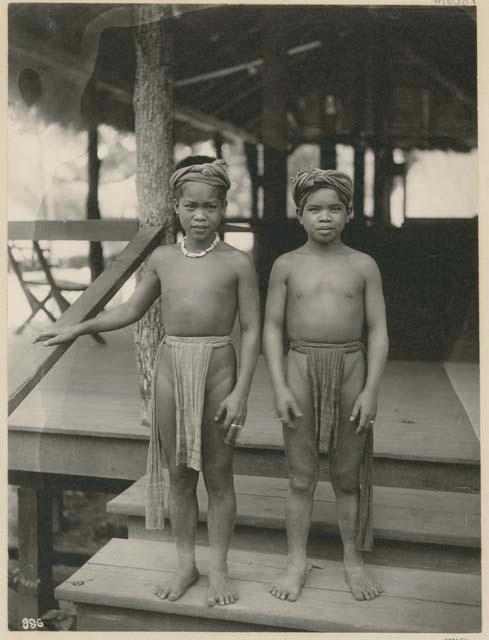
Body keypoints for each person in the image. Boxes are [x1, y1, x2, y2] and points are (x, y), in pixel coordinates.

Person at [35, 156, 261, 607]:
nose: (201, 216)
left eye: (211, 207)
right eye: (191, 206)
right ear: (176, 206)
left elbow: (252, 329)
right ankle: (185, 565)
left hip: (218, 364)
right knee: (179, 475)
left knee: (218, 475)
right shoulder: (162, 258)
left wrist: (241, 392)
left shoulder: (237, 262)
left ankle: (218, 567)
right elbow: (131, 309)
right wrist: (80, 326)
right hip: (172, 366)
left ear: (223, 209)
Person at [263, 168, 388, 603]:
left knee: (346, 474)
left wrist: (372, 389)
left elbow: (379, 331)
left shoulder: (363, 265)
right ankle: (296, 559)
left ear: (350, 213)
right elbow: (271, 328)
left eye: (335, 209)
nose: (325, 218)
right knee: (301, 476)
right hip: (299, 363)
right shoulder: (286, 265)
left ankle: (352, 558)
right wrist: (278, 386)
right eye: (314, 209)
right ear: (299, 215)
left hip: (351, 364)